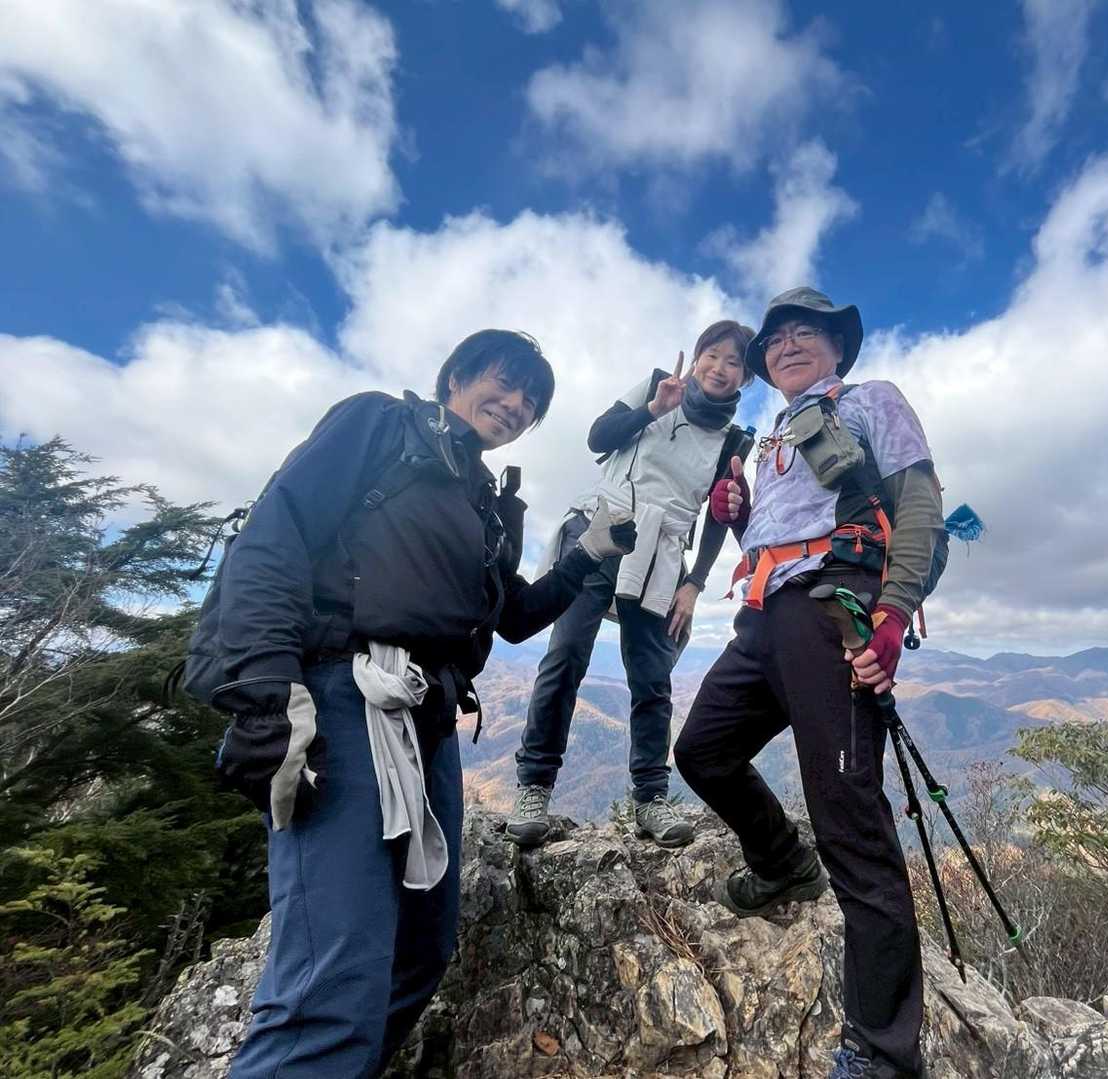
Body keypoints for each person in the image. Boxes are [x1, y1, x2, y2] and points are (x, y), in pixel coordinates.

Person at [190, 330, 636, 1078]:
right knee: (332, 982)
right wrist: (268, 694)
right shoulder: (379, 425)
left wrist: (586, 554)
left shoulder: (485, 501)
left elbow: (513, 615)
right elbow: (275, 535)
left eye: (531, 401)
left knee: (420, 951)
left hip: (427, 718)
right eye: (504, 381)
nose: (516, 404)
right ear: (455, 376)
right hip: (341, 697)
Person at [673, 288, 943, 1079]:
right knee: (702, 751)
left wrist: (892, 613)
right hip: (763, 614)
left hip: (832, 609)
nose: (787, 344)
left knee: (850, 821)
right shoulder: (774, 436)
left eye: (805, 332)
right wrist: (736, 515)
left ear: (835, 347)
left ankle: (883, 1052)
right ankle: (784, 864)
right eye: (776, 337)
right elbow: (777, 532)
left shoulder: (870, 401)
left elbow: (919, 508)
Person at [508, 320, 756, 849]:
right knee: (566, 655)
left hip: (662, 554)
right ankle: (534, 786)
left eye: (734, 362)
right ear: (696, 357)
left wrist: (695, 583)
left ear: (745, 377)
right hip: (601, 529)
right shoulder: (656, 386)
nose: (719, 368)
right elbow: (597, 437)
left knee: (652, 675)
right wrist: (653, 408)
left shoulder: (734, 439)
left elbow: (719, 514)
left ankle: (650, 797)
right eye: (712, 355)